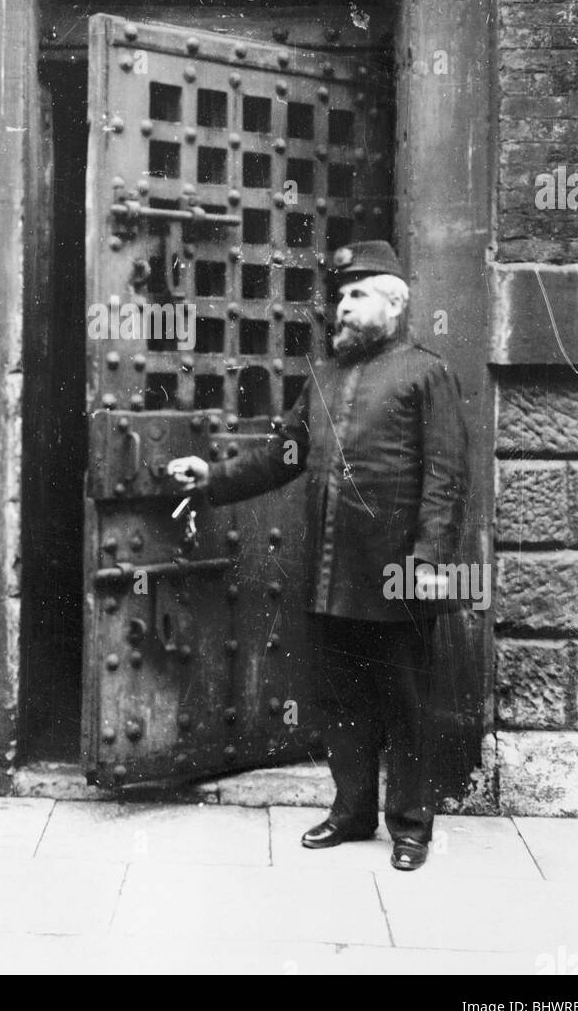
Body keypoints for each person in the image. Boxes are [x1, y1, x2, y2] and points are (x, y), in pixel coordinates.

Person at [168, 240, 469, 871]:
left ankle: (411, 826)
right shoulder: (325, 378)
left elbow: (446, 478)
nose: (342, 308)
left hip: (399, 576)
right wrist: (213, 477)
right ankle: (351, 811)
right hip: (334, 573)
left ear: (394, 302)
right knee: (343, 697)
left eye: (357, 295)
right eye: (339, 297)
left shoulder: (426, 372)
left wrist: (431, 561)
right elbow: (283, 456)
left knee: (407, 702)